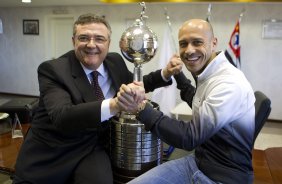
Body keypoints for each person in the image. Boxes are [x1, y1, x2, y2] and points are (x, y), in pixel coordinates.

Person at [12, 13, 183, 184]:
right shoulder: (53, 69)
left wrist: (165, 73)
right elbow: (62, 116)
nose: (91, 44)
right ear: (74, 41)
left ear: (108, 43)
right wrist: (116, 104)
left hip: (93, 148)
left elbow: (135, 85)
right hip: (52, 155)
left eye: (99, 39)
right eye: (84, 38)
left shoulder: (114, 61)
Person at [117, 19, 255, 184]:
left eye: (197, 42)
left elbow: (189, 137)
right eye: (183, 44)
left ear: (214, 43)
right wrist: (177, 74)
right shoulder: (209, 72)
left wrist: (141, 109)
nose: (189, 50)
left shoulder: (228, 83)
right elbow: (195, 100)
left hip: (222, 177)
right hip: (198, 162)